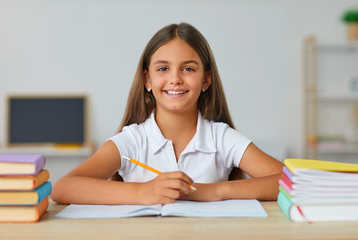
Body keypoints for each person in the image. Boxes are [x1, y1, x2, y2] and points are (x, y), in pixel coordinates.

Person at [51, 22, 284, 205]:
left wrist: (213, 191)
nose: (175, 79)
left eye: (188, 68)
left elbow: (289, 181)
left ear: (206, 79)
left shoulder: (222, 138)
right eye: (163, 68)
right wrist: (144, 191)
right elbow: (63, 188)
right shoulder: (132, 141)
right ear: (147, 80)